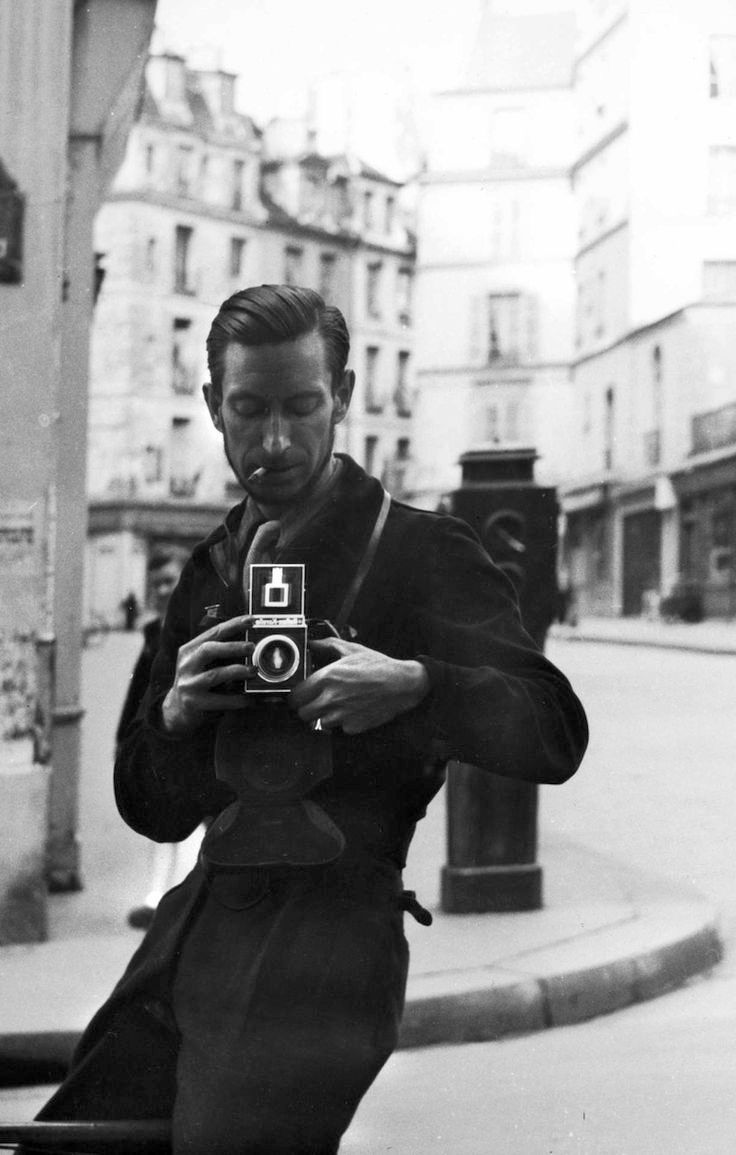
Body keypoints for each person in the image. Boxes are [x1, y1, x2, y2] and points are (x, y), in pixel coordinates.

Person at [34, 285, 588, 1153]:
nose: (277, 441)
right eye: (250, 410)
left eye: (303, 405)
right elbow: (149, 807)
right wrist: (176, 714)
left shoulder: (422, 550)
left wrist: (415, 683)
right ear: (214, 404)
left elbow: (556, 729)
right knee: (79, 1140)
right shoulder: (209, 568)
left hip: (331, 951)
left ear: (345, 395)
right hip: (199, 927)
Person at [118, 545, 193, 930]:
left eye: (170, 581)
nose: (163, 590)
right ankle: (157, 896)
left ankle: (179, 900)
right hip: (157, 738)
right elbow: (139, 690)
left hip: (192, 739)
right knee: (162, 821)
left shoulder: (199, 626)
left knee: (194, 823)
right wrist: (123, 737)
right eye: (157, 584)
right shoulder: (155, 632)